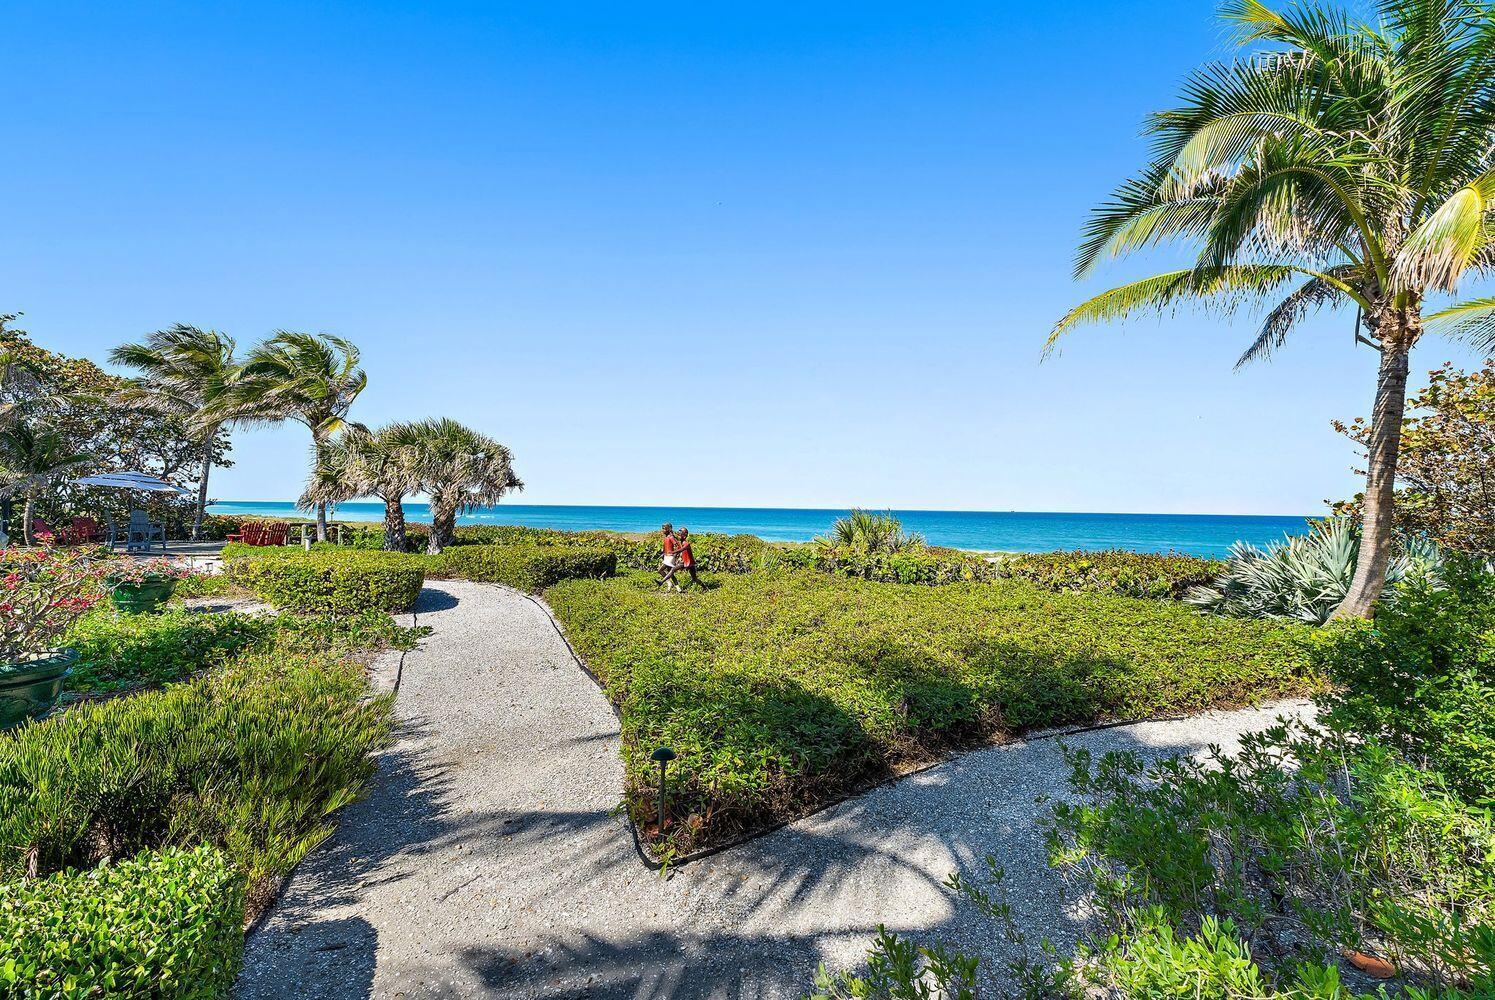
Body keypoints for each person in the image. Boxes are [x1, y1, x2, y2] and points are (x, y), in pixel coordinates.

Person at [658, 522, 680, 591]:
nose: (662, 530)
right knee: (670, 572)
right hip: (666, 556)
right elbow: (665, 547)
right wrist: (663, 554)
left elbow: (678, 546)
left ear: (668, 529)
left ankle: (668, 583)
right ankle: (678, 587)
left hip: (670, 557)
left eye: (664, 529)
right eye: (662, 529)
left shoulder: (671, 537)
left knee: (660, 570)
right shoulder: (666, 537)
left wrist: (675, 555)